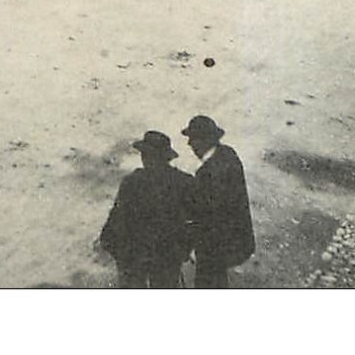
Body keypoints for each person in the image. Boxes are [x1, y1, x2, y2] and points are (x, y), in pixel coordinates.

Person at [98, 131, 195, 288]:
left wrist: (114, 248)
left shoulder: (132, 182)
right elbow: (195, 222)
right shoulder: (183, 182)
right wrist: (183, 249)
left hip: (138, 259)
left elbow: (115, 222)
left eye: (148, 155)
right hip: (163, 258)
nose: (146, 159)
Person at [181, 115, 255, 288]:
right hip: (232, 239)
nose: (189, 144)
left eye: (193, 139)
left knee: (208, 283)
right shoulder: (227, 155)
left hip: (216, 244)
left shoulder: (210, 171)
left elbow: (207, 210)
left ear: (204, 140)